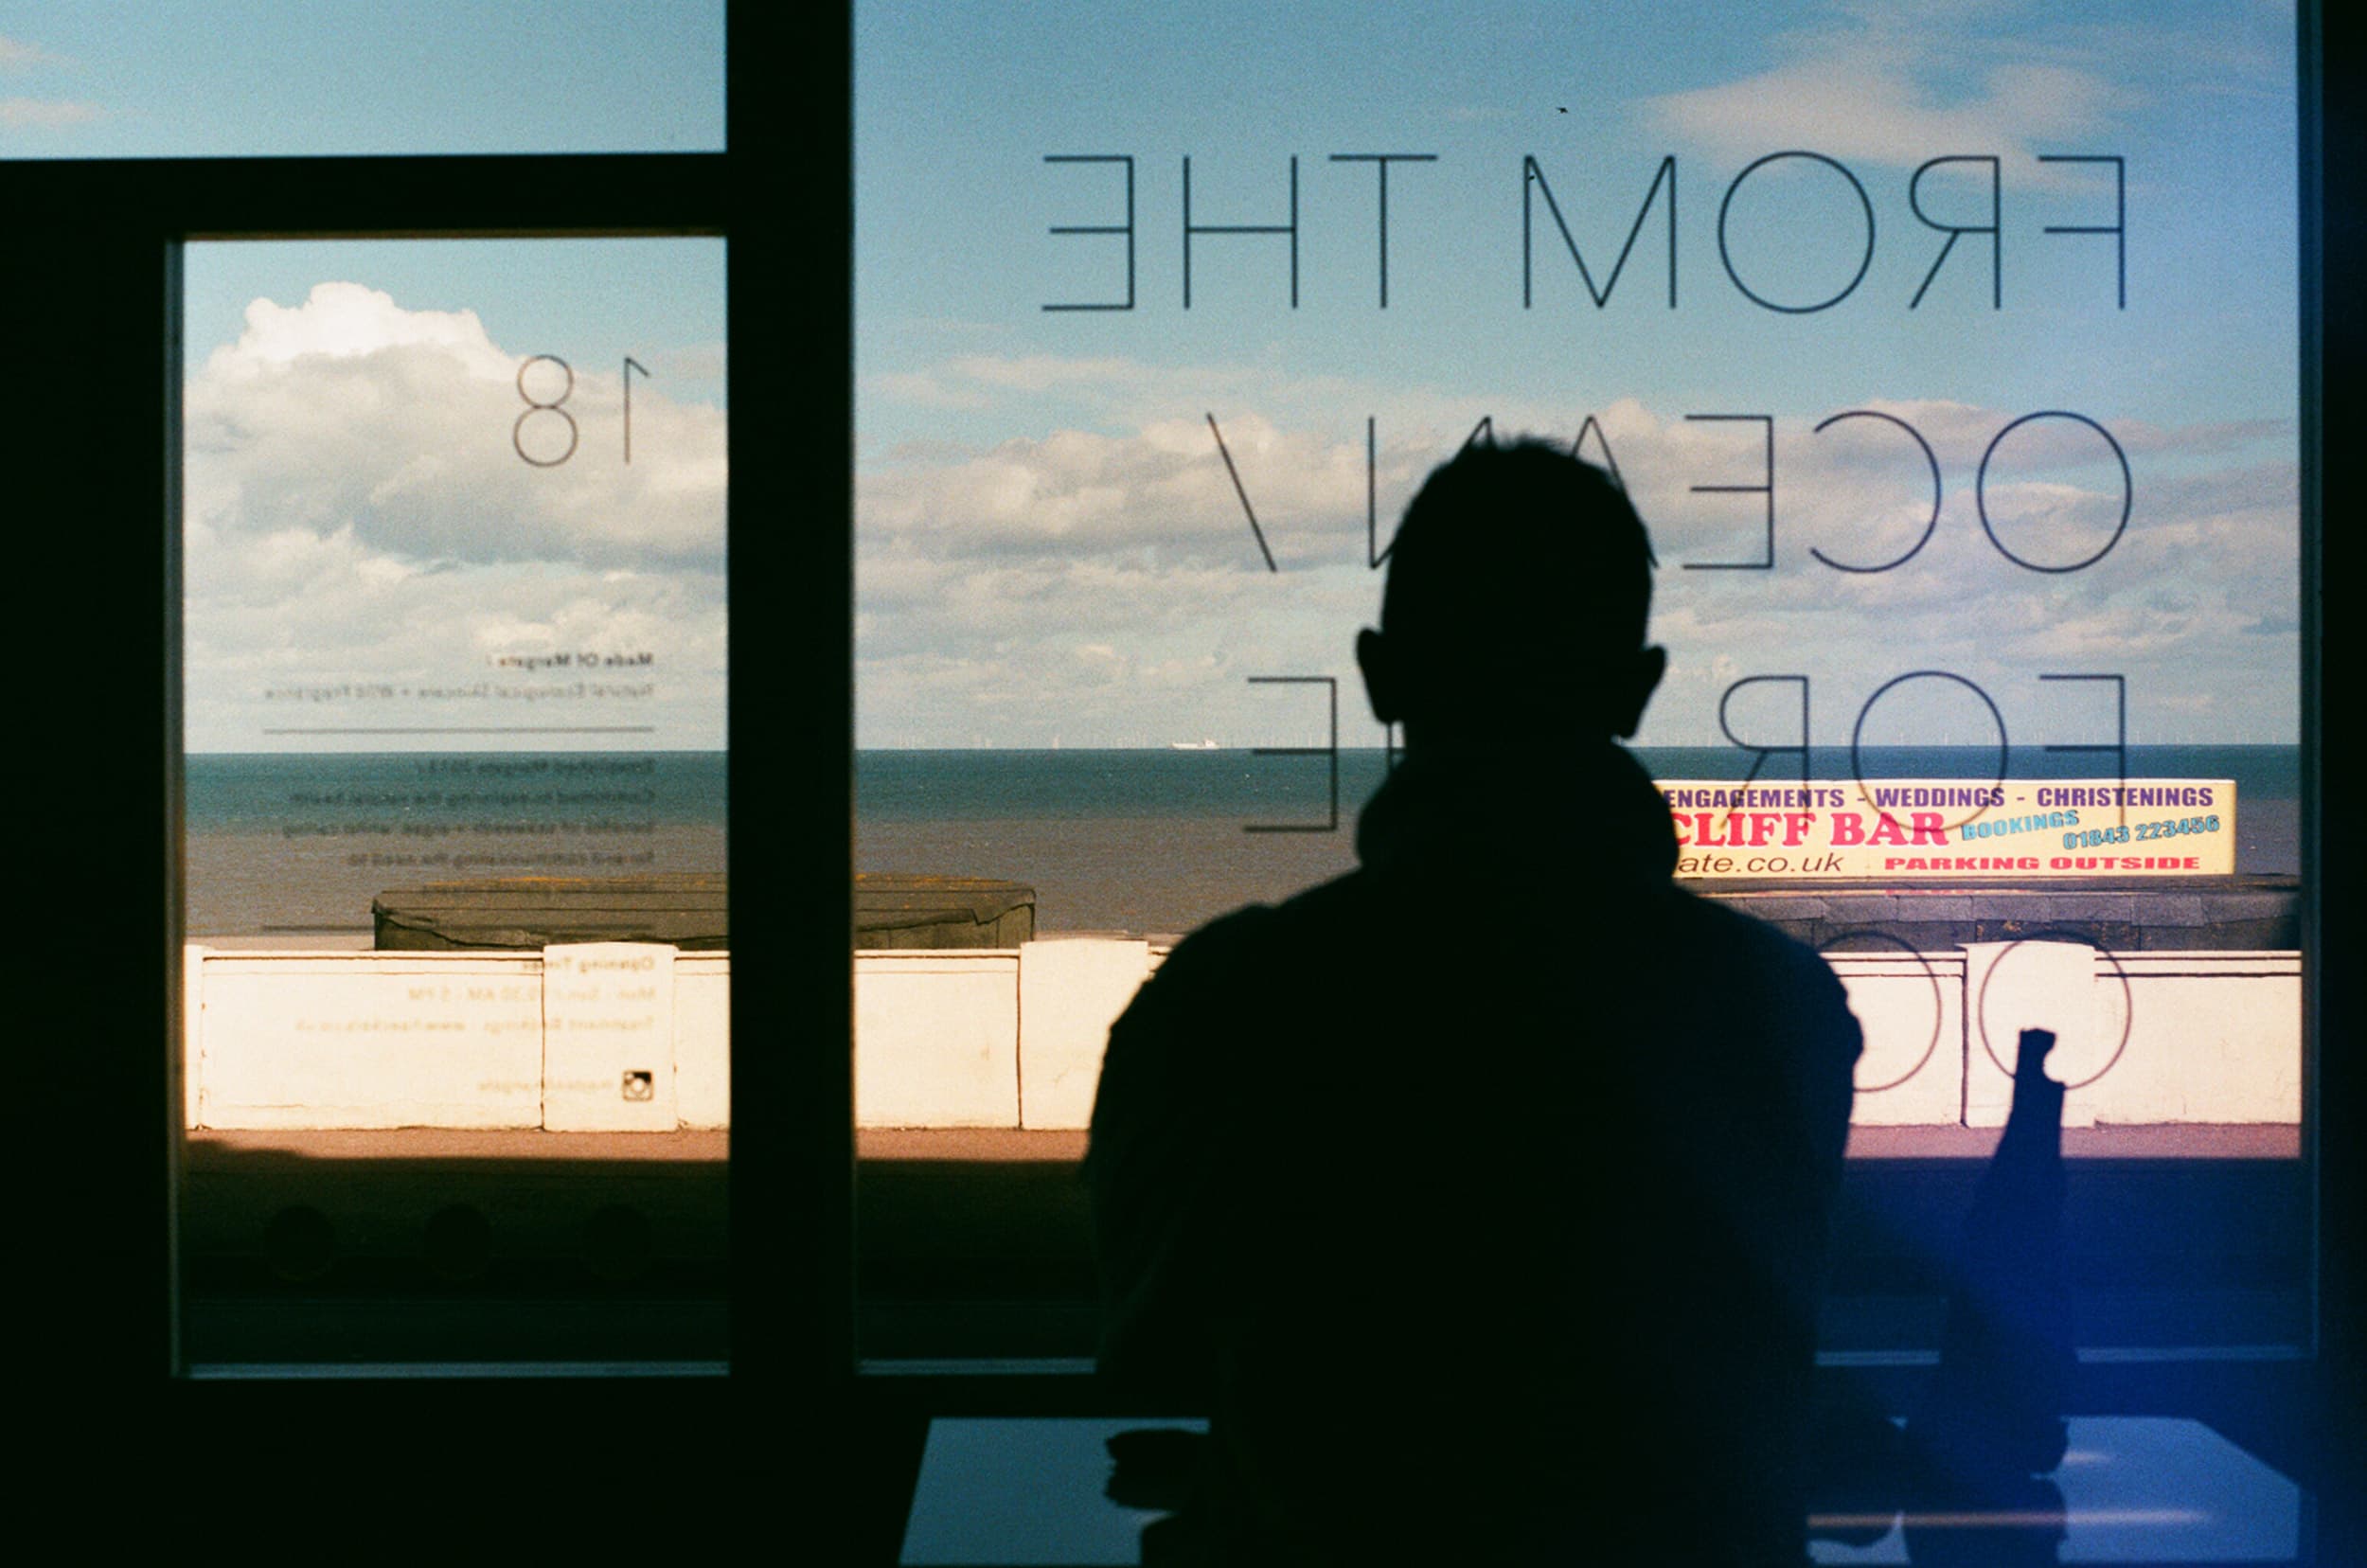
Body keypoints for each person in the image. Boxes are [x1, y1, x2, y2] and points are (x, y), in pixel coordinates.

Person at [1086, 439, 1863, 1564]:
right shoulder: (1784, 1007)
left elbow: (1146, 1351)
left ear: (1378, 675)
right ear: (1636, 693)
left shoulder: (1226, 1002)